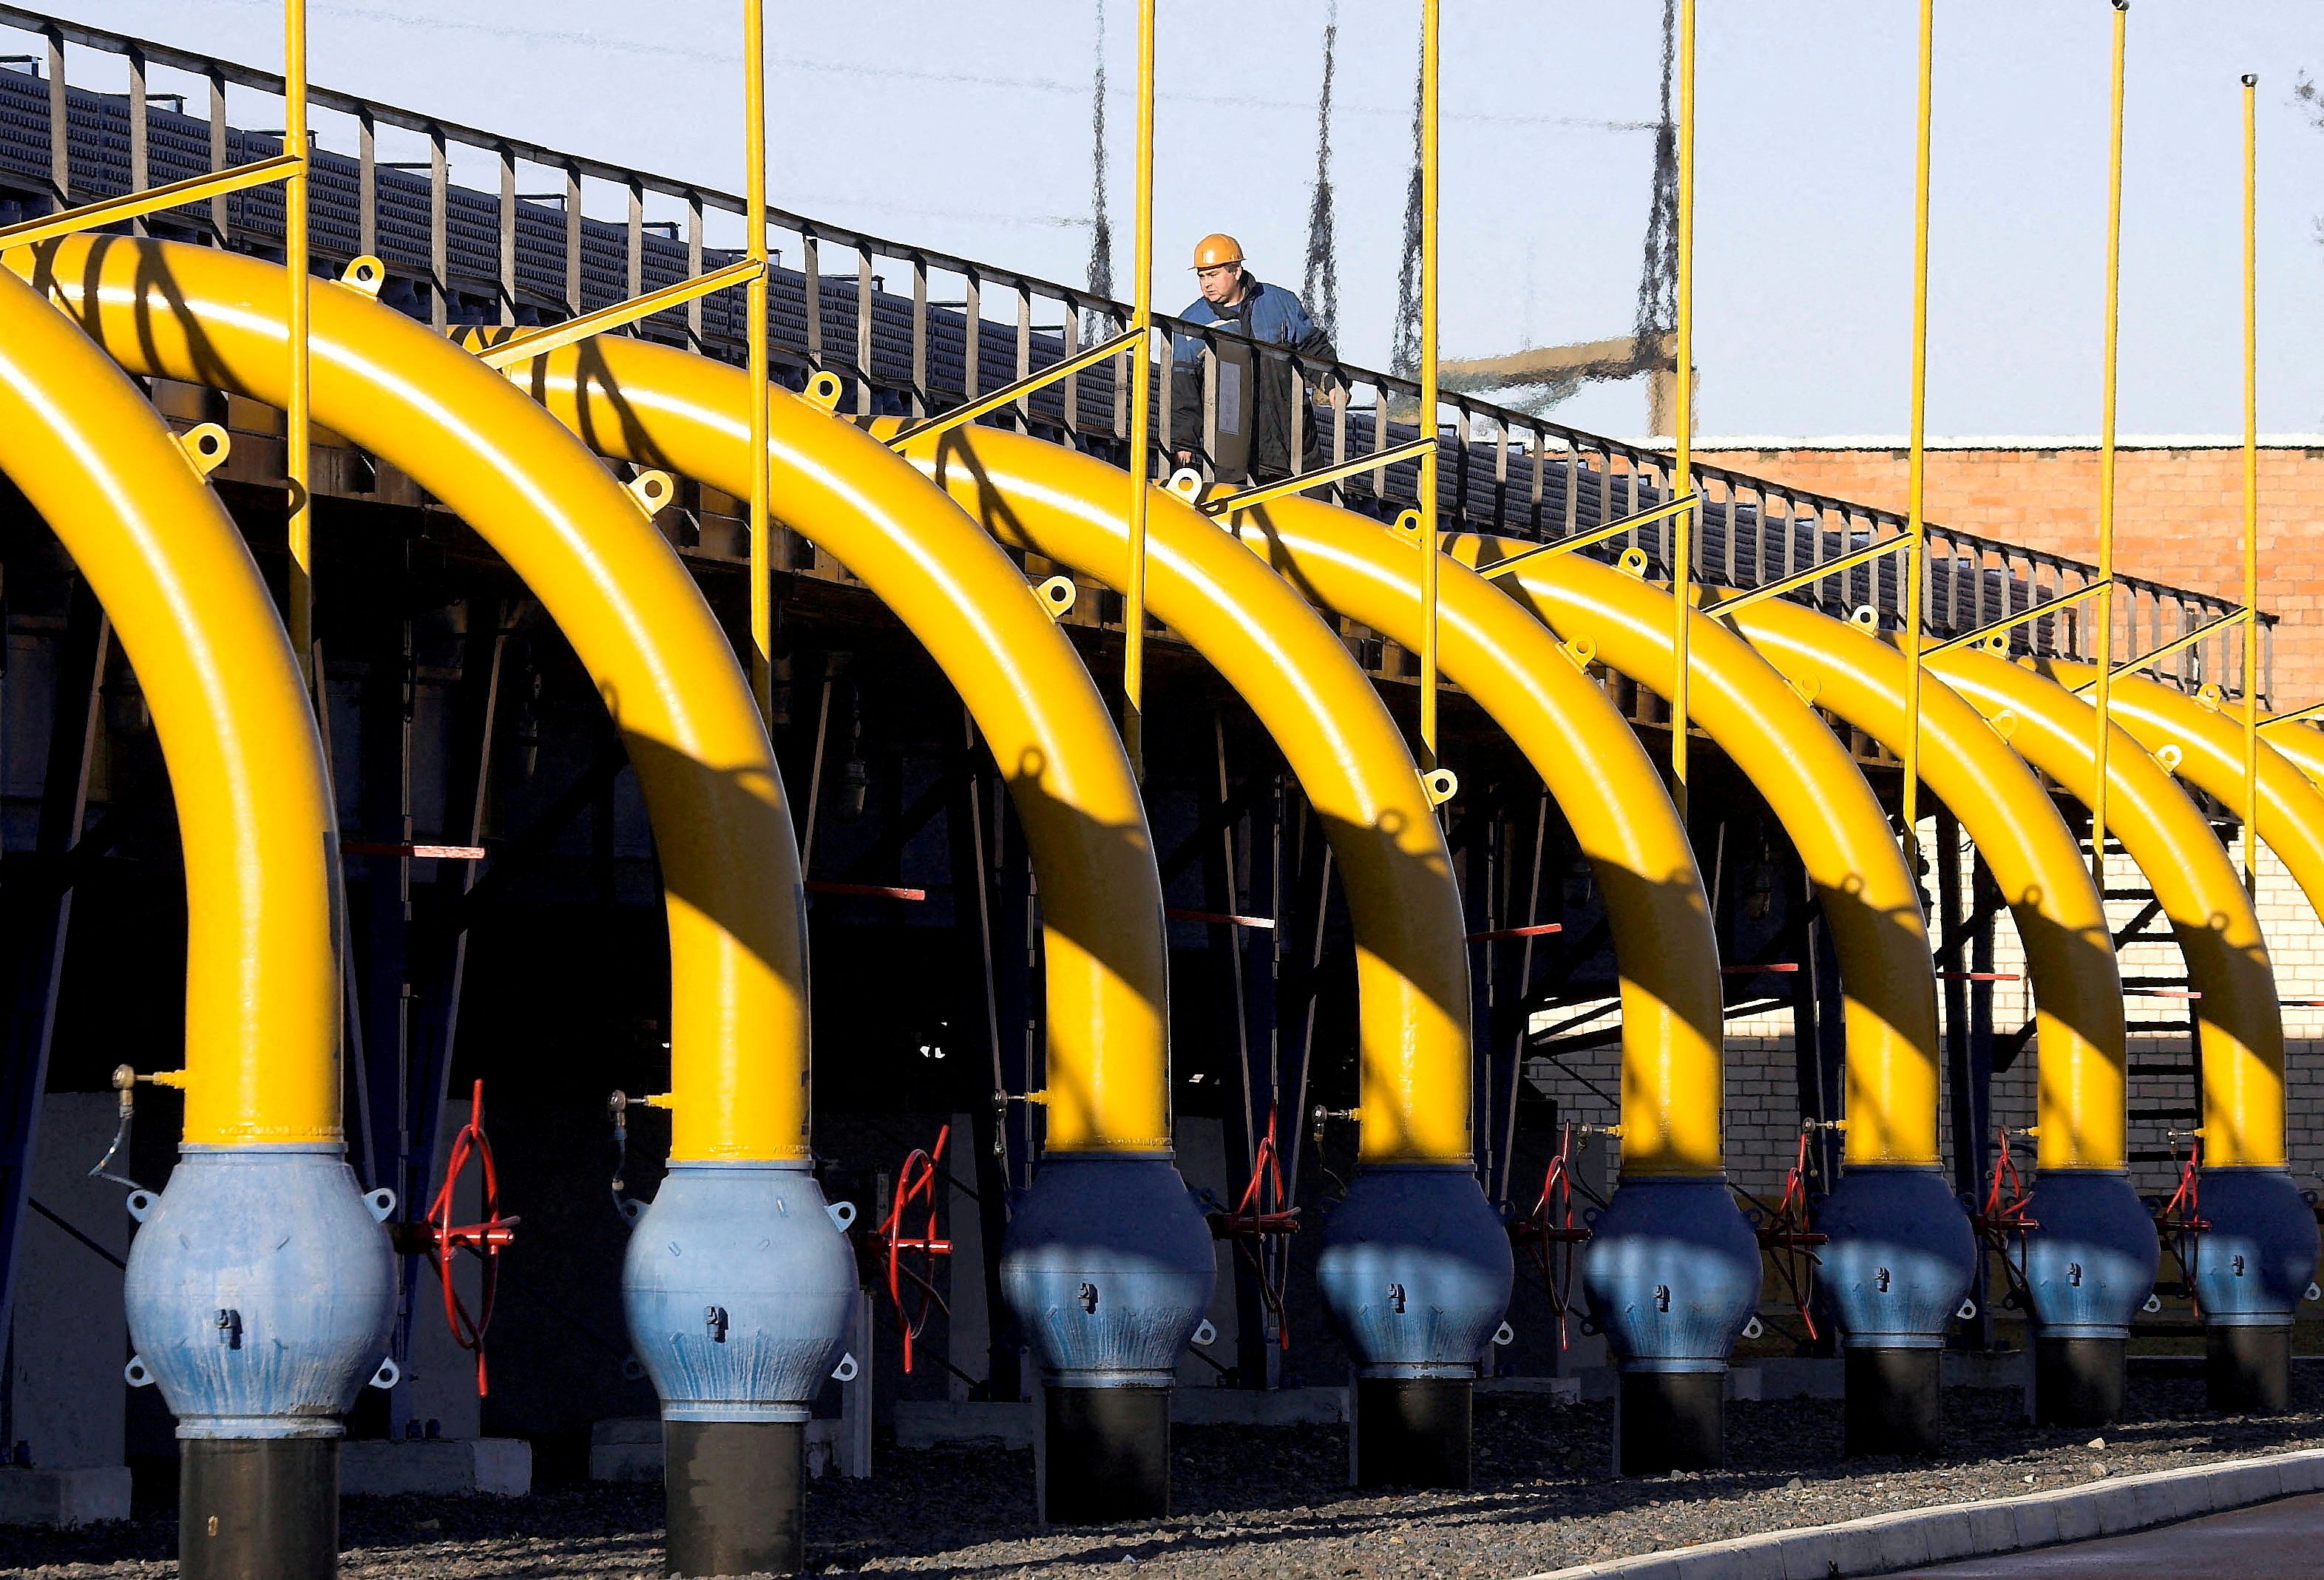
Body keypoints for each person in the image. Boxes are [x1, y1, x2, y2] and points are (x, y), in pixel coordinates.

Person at [1169, 234, 1343, 484]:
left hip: (1291, 442)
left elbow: (1312, 347)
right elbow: (1184, 390)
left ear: (1236, 271)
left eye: (1214, 275)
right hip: (1229, 451)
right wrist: (1184, 443)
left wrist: (1332, 381)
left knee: (1311, 503)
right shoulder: (1191, 323)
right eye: (1202, 276)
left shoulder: (1279, 304)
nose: (1207, 284)